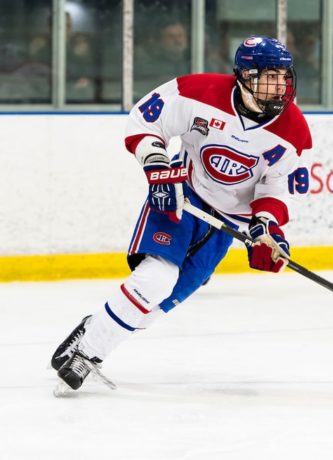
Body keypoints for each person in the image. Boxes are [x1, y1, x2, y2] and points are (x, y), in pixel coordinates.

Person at [51, 36, 313, 392]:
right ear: (245, 77)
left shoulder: (292, 131)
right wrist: (156, 166)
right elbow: (144, 122)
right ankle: (85, 354)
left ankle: (98, 326)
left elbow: (276, 189)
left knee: (152, 311)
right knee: (154, 280)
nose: (280, 86)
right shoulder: (197, 92)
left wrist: (265, 229)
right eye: (270, 76)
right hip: (180, 196)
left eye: (284, 76)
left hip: (228, 225)